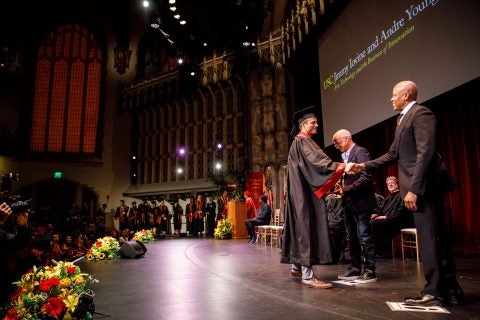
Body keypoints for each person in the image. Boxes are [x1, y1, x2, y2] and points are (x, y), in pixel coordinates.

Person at [347, 80, 463, 306]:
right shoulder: (402, 120)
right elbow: (392, 155)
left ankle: (434, 293)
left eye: (394, 95)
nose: (391, 99)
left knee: (430, 240)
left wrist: (414, 189)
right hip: (422, 188)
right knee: (435, 239)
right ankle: (450, 290)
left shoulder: (421, 114)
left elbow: (425, 153)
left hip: (426, 188)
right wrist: (363, 166)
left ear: (407, 95)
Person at [281, 108, 345, 289]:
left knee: (300, 227)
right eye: (313, 122)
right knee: (306, 228)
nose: (316, 124)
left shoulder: (296, 143)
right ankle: (308, 276)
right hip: (304, 195)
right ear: (303, 125)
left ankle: (296, 266)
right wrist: (340, 167)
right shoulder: (303, 142)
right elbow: (318, 162)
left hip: (299, 194)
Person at [332, 129, 377, 283]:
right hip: (348, 202)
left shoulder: (360, 151)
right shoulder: (343, 157)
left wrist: (346, 188)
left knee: (364, 236)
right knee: (351, 237)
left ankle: (370, 270)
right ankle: (355, 268)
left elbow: (366, 177)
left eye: (337, 142)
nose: (336, 146)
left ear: (347, 138)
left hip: (362, 202)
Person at [370, 176, 415, 258]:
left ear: (398, 184)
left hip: (399, 221)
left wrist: (386, 217)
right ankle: (376, 251)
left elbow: (401, 211)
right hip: (389, 221)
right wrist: (374, 215)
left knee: (376, 223)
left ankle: (384, 253)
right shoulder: (387, 198)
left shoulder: (402, 195)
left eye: (392, 183)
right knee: (371, 222)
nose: (390, 185)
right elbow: (379, 209)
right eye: (388, 184)